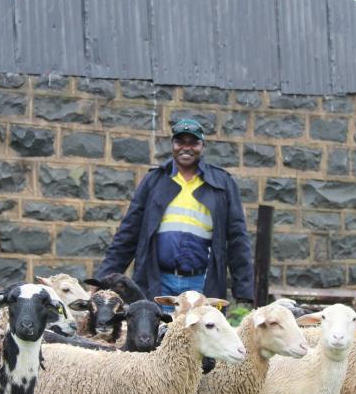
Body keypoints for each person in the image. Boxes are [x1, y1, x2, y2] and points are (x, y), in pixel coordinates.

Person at [95, 117, 254, 303]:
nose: (186, 148)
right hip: (158, 281)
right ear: (172, 145)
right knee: (155, 332)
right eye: (180, 142)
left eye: (193, 142)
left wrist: (244, 291)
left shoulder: (222, 183)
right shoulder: (154, 181)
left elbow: (238, 239)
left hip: (202, 283)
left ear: (202, 146)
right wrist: (103, 281)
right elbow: (128, 234)